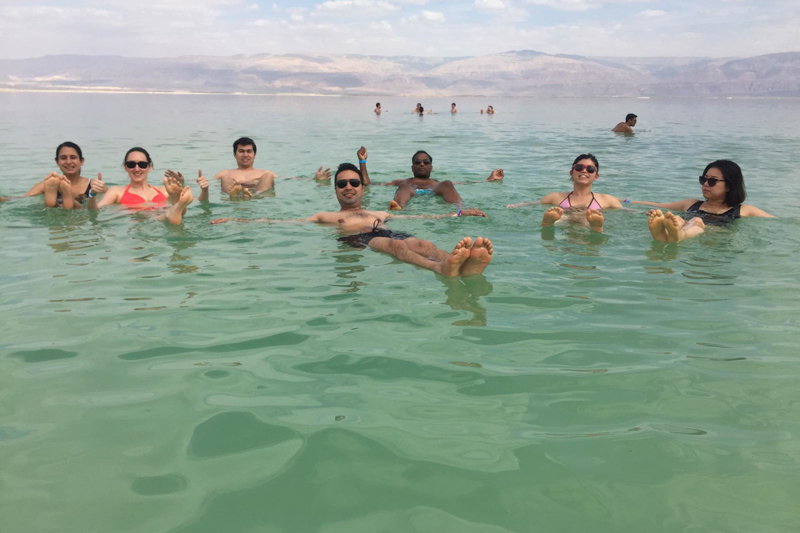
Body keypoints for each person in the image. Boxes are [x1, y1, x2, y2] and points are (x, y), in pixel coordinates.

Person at [212, 163, 493, 278]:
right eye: (342, 183)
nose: (348, 186)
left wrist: (460, 212)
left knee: (422, 242)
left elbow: (421, 215)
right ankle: (442, 268)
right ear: (336, 189)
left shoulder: (379, 214)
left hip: (385, 230)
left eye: (354, 182)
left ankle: (463, 266)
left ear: (361, 187)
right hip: (359, 240)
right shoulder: (326, 217)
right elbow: (285, 221)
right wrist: (236, 219)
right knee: (392, 245)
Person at [627, 159, 774, 242]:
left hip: (715, 238)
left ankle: (675, 233)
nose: (705, 184)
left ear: (729, 185)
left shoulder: (743, 210)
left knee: (696, 221)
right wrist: (625, 201)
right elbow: (658, 205)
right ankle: (664, 233)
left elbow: (777, 222)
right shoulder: (691, 204)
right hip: (687, 230)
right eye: (704, 179)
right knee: (676, 217)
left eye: (712, 181)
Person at [507, 153, 622, 233]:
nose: (584, 171)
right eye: (579, 167)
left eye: (590, 169)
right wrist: (516, 205)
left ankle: (596, 227)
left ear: (596, 176)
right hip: (566, 222)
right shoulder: (555, 197)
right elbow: (534, 203)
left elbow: (628, 212)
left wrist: (640, 212)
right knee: (562, 217)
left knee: (586, 219)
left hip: (587, 222)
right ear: (571, 173)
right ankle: (548, 223)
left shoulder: (607, 200)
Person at [357, 148, 503, 210]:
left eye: (426, 162)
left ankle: (460, 210)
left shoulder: (437, 183)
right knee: (405, 185)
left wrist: (489, 179)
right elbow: (369, 185)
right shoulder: (403, 181)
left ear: (431, 167)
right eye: (418, 162)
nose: (422, 164)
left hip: (434, 191)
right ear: (412, 167)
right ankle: (399, 209)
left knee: (448, 183)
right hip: (409, 191)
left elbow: (469, 183)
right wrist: (362, 162)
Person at [89, 147, 198, 225]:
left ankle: (176, 206)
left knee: (173, 209)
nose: (137, 169)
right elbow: (94, 210)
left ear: (149, 167)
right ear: (125, 167)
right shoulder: (116, 191)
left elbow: (197, 200)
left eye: (142, 164)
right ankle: (174, 210)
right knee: (142, 215)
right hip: (135, 223)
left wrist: (205, 190)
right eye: (131, 165)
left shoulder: (164, 190)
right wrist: (92, 194)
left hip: (156, 224)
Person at [213, 136, 330, 198]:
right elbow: (203, 183)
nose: (245, 155)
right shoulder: (225, 172)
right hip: (232, 194)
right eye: (241, 151)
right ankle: (234, 196)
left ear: (254, 154)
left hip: (258, 193)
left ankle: (254, 196)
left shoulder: (263, 172)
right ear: (235, 154)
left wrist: (315, 179)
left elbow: (289, 179)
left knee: (268, 175)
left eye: (249, 151)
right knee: (226, 176)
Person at [25, 142, 105, 209]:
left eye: (73, 157)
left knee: (53, 208)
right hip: (79, 217)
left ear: (81, 161)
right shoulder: (49, 184)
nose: (68, 162)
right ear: (57, 162)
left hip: (65, 215)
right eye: (63, 158)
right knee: (81, 210)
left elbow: (23, 199)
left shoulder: (94, 185)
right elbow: (113, 202)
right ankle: (57, 201)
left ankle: (61, 200)